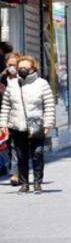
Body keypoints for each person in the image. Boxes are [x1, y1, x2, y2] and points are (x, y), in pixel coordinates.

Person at [0, 56, 55, 194]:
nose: (22, 70)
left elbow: (49, 105)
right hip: (18, 125)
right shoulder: (12, 84)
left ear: (33, 69)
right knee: (21, 155)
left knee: (37, 154)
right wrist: (3, 124)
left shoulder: (42, 84)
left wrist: (48, 124)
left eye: (26, 68)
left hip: (36, 124)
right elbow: (6, 105)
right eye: (20, 68)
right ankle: (24, 184)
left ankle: (37, 182)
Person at [2, 52, 21, 186]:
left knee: (15, 145)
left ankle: (15, 173)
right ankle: (14, 169)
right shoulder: (2, 78)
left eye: (14, 65)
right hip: (4, 115)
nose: (11, 67)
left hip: (19, 116)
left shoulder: (24, 79)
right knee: (6, 145)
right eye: (9, 65)